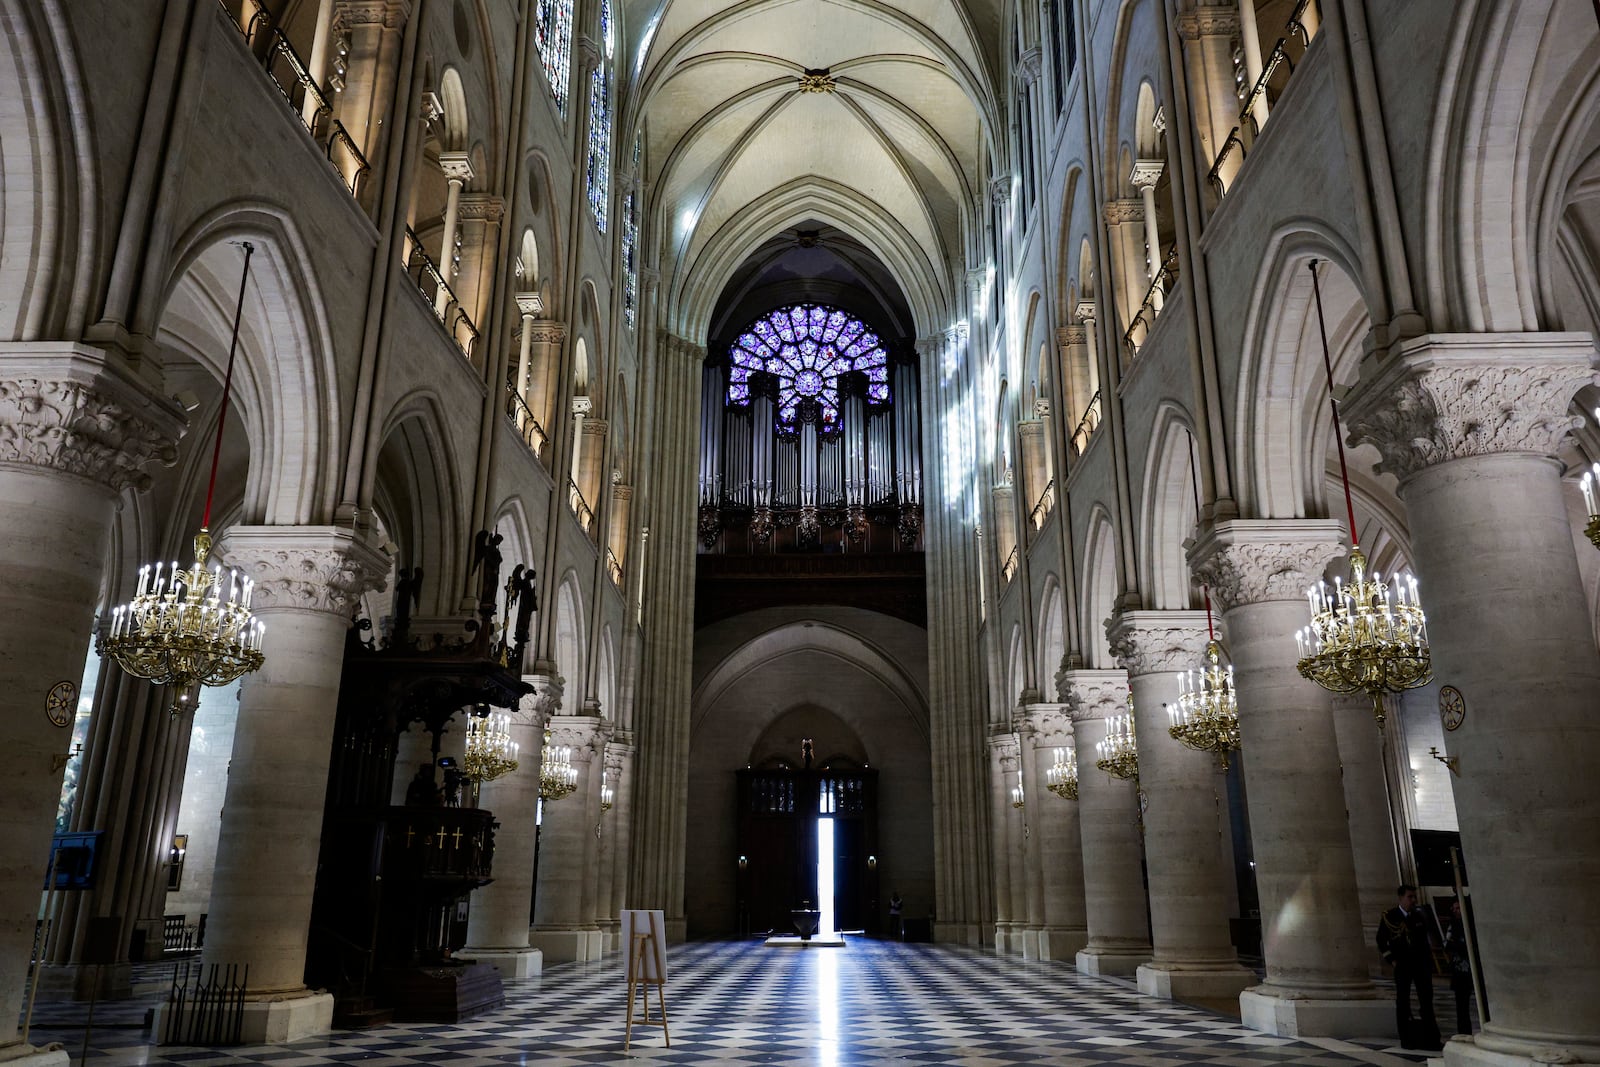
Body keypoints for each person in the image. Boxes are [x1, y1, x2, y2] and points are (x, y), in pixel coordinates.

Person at [1378, 884, 1441, 1051]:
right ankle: (1406, 1039)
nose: (1413, 900)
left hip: (1420, 965)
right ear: (1401, 898)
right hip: (1403, 965)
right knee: (1403, 1001)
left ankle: (1432, 1038)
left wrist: (1429, 964)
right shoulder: (1390, 916)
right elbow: (1381, 940)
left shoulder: (1419, 916)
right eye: (1410, 897)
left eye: (1414, 897)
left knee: (1426, 1001)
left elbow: (1424, 942)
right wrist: (1392, 960)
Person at [1444, 900, 1475, 1036]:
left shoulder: (1472, 925)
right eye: (1455, 908)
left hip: (1473, 969)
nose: (1457, 911)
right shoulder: (1453, 925)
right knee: (1461, 1006)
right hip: (1459, 971)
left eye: (1459, 908)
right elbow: (1447, 944)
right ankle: (1464, 1033)